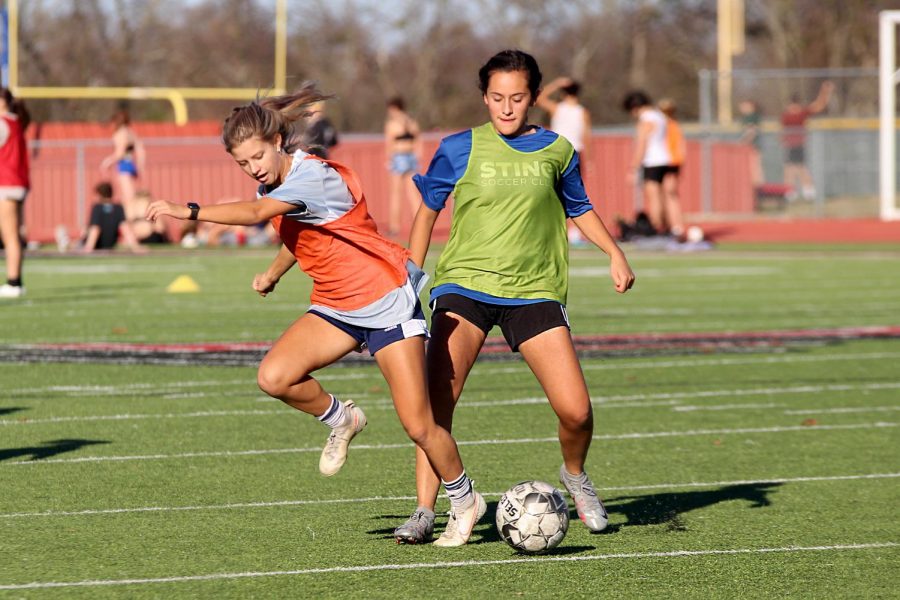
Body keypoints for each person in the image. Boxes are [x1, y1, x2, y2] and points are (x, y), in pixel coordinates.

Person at [145, 84, 484, 547]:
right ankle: (341, 418)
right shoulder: (276, 182)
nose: (253, 168)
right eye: (242, 164)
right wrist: (273, 273)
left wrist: (187, 211)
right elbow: (299, 230)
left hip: (385, 301)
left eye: (257, 157)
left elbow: (258, 212)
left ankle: (465, 500)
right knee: (275, 376)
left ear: (278, 142)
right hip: (336, 303)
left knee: (419, 424)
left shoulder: (311, 177)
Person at [394, 50, 635, 544]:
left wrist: (614, 252)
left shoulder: (558, 150)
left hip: (534, 291)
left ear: (534, 98)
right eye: (497, 98)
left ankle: (575, 475)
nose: (506, 108)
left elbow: (581, 207)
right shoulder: (458, 148)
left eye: (518, 98)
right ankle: (424, 509)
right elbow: (426, 213)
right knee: (437, 407)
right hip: (464, 286)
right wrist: (410, 279)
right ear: (484, 97)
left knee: (576, 411)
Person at [536, 76, 593, 246]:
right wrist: (590, 160)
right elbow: (587, 137)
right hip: (575, 152)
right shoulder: (582, 111)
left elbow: (539, 98)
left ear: (562, 93)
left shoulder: (557, 108)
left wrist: (556, 82)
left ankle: (563, 230)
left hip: (556, 152)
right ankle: (572, 231)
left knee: (552, 191)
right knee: (573, 193)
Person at [622, 90, 678, 236]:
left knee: (654, 197)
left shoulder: (646, 120)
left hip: (652, 161)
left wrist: (633, 168)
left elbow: (642, 144)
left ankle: (656, 227)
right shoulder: (660, 116)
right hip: (665, 159)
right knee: (663, 196)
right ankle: (668, 227)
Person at [0, 88, 31, 299]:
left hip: (6, 184)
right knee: (13, 234)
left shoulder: (3, 123)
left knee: (10, 235)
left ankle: (14, 282)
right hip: (17, 183)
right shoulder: (16, 122)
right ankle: (14, 281)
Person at [781, 81, 833, 201]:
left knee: (800, 167)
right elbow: (782, 129)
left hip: (799, 144)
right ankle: (790, 192)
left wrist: (825, 91)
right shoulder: (785, 115)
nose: (792, 108)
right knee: (789, 168)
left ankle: (808, 191)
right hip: (789, 144)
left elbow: (819, 105)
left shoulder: (802, 113)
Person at [384, 96, 421, 238]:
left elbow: (389, 143)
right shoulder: (411, 121)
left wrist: (388, 159)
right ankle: (419, 224)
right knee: (413, 194)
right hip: (411, 156)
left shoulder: (392, 124)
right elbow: (418, 139)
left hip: (399, 157)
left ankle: (394, 227)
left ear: (393, 108)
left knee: (396, 194)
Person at [100, 107, 145, 221]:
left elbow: (120, 152)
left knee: (128, 197)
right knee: (129, 195)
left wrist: (108, 162)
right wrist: (139, 167)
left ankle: (131, 220)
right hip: (130, 164)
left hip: (124, 165)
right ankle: (131, 219)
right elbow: (140, 150)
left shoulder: (121, 133)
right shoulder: (130, 132)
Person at [81, 181, 144, 253]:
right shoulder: (118, 208)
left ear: (99, 194)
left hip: (96, 246)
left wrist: (88, 248)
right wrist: (136, 247)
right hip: (109, 246)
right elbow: (125, 229)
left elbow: (95, 229)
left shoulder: (97, 208)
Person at [657, 98, 686, 237]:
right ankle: (671, 226)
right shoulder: (674, 124)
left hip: (668, 162)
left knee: (669, 195)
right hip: (673, 162)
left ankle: (675, 227)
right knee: (667, 195)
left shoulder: (666, 125)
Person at [737, 99, 764, 187]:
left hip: (752, 147)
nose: (742, 108)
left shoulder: (752, 117)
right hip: (748, 148)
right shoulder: (746, 118)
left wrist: (743, 142)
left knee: (754, 168)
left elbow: (752, 131)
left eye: (745, 105)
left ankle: (757, 187)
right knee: (750, 168)